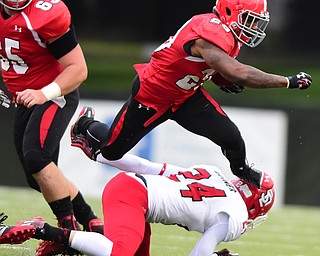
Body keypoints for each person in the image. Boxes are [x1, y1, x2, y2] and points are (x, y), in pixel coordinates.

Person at [70, 0, 312, 191]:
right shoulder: (210, 30)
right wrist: (287, 81)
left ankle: (241, 171)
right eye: (249, 19)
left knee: (231, 136)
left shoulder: (227, 34)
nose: (254, 27)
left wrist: (218, 78)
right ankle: (86, 124)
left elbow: (208, 64)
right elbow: (238, 72)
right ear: (229, 12)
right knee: (110, 152)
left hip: (186, 95)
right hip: (152, 96)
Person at [0, 153, 275, 256]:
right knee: (120, 253)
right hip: (134, 199)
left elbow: (148, 166)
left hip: (132, 189)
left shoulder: (213, 172)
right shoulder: (237, 215)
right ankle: (43, 230)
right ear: (255, 204)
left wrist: (101, 154)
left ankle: (88, 239)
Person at [0, 0, 103, 254]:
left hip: (55, 94)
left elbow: (78, 69)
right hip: (25, 99)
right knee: (39, 177)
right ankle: (92, 221)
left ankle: (66, 235)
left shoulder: (44, 14)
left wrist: (43, 93)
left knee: (37, 158)